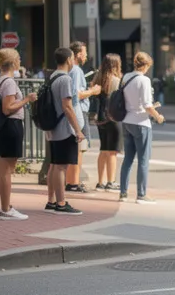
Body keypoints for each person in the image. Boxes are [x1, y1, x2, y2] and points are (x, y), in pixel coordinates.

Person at [0, 48, 36, 220]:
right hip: (11, 125)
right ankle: (6, 208)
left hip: (1, 127)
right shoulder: (9, 82)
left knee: (0, 167)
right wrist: (26, 99)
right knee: (7, 169)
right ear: (14, 62)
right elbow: (8, 108)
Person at [119, 52, 165, 204]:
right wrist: (158, 116)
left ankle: (123, 193)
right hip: (141, 123)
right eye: (148, 67)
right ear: (145, 65)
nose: (148, 70)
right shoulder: (144, 80)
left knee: (128, 159)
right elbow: (147, 105)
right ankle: (141, 194)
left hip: (127, 121)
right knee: (143, 160)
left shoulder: (126, 77)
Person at [44, 47, 84, 216]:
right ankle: (61, 203)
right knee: (61, 167)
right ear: (69, 60)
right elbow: (67, 106)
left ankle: (51, 200)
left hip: (52, 127)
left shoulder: (52, 77)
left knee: (54, 165)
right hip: (64, 129)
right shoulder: (65, 79)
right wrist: (77, 130)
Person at [66, 42, 101, 194]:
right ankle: (73, 182)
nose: (86, 56)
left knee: (79, 148)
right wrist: (92, 91)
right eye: (85, 53)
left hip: (77, 111)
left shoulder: (71, 70)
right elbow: (76, 94)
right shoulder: (76, 70)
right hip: (79, 112)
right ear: (78, 54)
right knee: (79, 148)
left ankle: (72, 181)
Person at [92, 53, 123, 192]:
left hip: (100, 118)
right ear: (116, 65)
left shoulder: (97, 78)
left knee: (103, 149)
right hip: (113, 118)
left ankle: (100, 182)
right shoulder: (116, 81)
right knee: (113, 151)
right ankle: (111, 181)